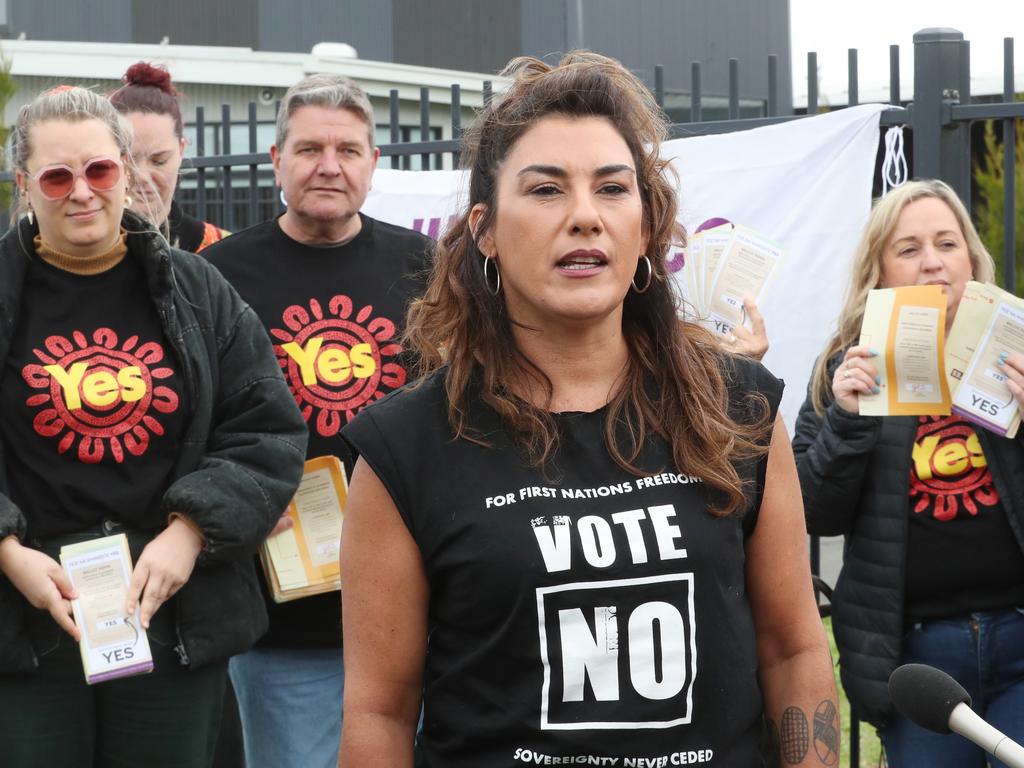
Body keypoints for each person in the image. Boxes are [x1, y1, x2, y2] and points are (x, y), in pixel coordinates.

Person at [337, 52, 837, 768]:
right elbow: (380, 713)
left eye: (612, 188)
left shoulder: (741, 410)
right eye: (545, 190)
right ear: (485, 231)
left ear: (645, 226)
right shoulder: (403, 447)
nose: (584, 217)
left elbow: (793, 651)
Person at [0, 85, 307, 768]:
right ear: (25, 185)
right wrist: (6, 551)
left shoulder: (200, 291)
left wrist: (189, 533)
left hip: (173, 611)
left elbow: (266, 430)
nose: (81, 192)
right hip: (24, 620)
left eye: (99, 170)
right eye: (57, 176)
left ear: (125, 169)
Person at [204, 73, 432, 768]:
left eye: (348, 149)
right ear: (275, 160)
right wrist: (230, 498)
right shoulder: (215, 275)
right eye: (308, 149)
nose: (328, 165)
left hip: (414, 605)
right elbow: (187, 420)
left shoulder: (425, 268)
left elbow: (464, 408)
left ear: (373, 163)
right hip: (283, 618)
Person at [793, 179, 1024, 767]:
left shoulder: (1015, 354)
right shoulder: (844, 371)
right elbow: (813, 513)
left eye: (947, 244)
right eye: (908, 249)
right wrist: (846, 419)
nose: (931, 264)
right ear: (880, 271)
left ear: (970, 258)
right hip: (917, 658)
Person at [110, 61, 228, 252]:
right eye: (127, 161)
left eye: (158, 161)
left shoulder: (221, 248)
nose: (142, 175)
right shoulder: (83, 251)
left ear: (181, 150)